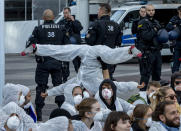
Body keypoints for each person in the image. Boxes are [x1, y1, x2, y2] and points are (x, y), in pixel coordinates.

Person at [25, 43, 142, 100]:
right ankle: (129, 50)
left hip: (85, 51)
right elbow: (118, 86)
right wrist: (135, 85)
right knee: (109, 54)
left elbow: (62, 87)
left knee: (64, 50)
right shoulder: (97, 85)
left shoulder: (77, 82)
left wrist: (49, 93)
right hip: (95, 54)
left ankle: (37, 48)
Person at [24, 9, 69, 121]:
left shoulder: (38, 29)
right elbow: (67, 45)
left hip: (43, 63)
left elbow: (30, 44)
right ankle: (62, 111)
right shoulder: (61, 28)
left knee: (41, 87)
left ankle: (39, 114)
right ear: (53, 17)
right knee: (58, 86)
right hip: (57, 62)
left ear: (44, 18)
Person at [86, 3, 122, 80]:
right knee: (109, 78)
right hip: (111, 57)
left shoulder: (96, 24)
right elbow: (119, 42)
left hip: (98, 58)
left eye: (98, 10)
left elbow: (89, 41)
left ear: (102, 11)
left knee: (97, 80)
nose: (97, 12)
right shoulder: (116, 25)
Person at [137, 5, 162, 91]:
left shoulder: (156, 22)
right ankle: (142, 95)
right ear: (146, 11)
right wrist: (155, 30)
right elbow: (146, 36)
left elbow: (161, 36)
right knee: (145, 76)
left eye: (153, 10)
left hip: (156, 52)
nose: (151, 12)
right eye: (149, 10)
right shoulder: (142, 22)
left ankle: (156, 95)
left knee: (157, 74)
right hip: (147, 53)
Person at [59, 7, 83, 74]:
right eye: (64, 13)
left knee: (77, 65)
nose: (65, 14)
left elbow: (79, 28)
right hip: (66, 47)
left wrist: (73, 21)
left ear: (70, 13)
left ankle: (79, 79)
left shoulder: (76, 21)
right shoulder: (61, 22)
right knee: (65, 66)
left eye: (66, 13)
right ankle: (65, 79)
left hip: (75, 48)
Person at [166, 6, 181, 73]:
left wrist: (176, 25)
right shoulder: (174, 18)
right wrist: (176, 25)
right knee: (176, 61)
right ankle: (174, 78)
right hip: (177, 43)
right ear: (178, 11)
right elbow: (168, 26)